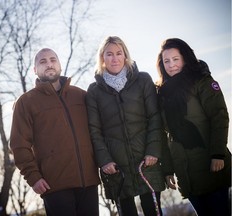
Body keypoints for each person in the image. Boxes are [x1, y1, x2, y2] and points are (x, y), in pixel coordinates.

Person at [10, 48, 100, 216]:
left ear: (59, 65)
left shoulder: (80, 95)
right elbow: (18, 145)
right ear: (35, 70)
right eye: (42, 61)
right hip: (55, 186)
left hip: (88, 182)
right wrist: (33, 177)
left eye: (53, 60)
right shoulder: (26, 102)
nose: (49, 64)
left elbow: (98, 130)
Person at [86, 36, 166, 216]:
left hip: (146, 162)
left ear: (125, 56)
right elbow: (94, 130)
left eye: (118, 53)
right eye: (109, 54)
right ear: (102, 58)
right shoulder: (94, 91)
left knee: (153, 212)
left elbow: (155, 117)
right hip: (116, 168)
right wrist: (104, 160)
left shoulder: (143, 80)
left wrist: (153, 151)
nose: (114, 58)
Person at [156, 38, 231, 216]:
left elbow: (219, 117)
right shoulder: (162, 93)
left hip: (211, 164)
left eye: (175, 59)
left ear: (185, 58)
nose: (171, 65)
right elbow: (164, 134)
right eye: (166, 61)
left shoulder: (202, 81)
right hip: (186, 173)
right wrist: (167, 170)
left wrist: (217, 154)